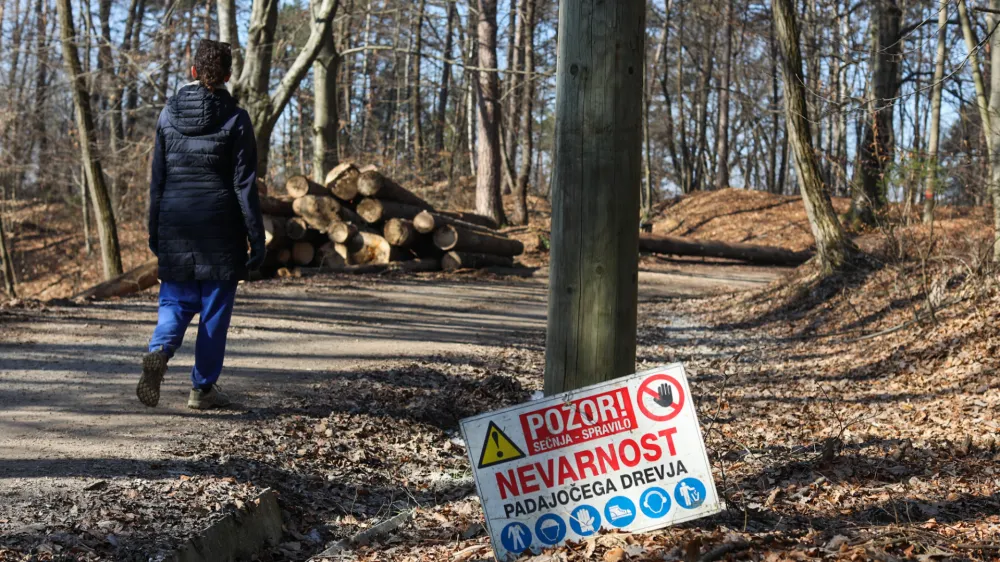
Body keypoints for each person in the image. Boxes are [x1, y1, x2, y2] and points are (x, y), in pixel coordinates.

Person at [137, 40, 266, 410]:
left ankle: (160, 350)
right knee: (213, 310)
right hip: (221, 228)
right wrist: (256, 239)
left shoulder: (167, 115)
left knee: (175, 302)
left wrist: (154, 230)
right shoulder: (236, 119)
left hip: (175, 223)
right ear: (227, 75)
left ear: (193, 71)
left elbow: (157, 181)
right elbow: (244, 186)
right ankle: (202, 389)